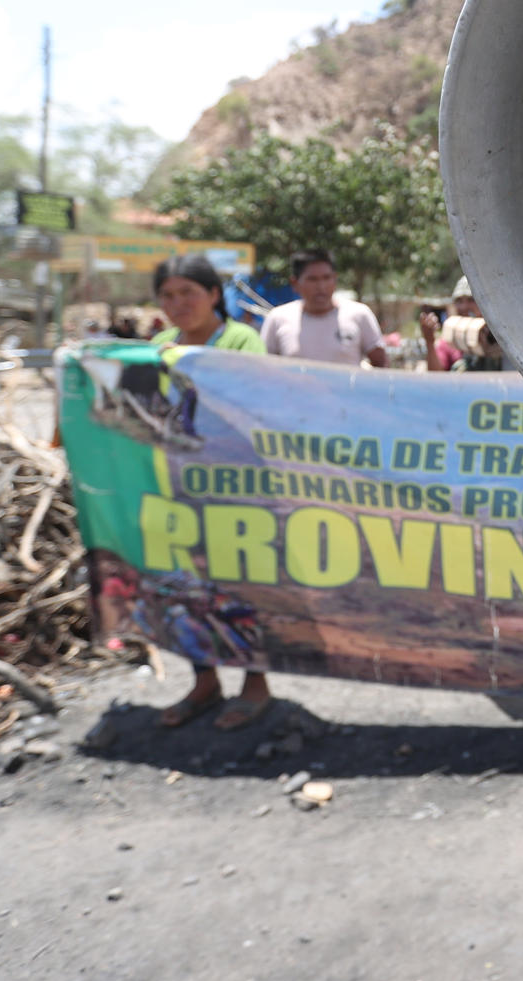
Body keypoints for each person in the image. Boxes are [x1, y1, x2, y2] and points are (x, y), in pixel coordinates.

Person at [147, 255, 272, 731]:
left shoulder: (241, 340)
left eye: (189, 293)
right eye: (168, 296)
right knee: (186, 585)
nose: (178, 304)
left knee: (243, 585)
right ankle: (205, 681)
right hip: (176, 488)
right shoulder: (157, 347)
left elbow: (251, 397)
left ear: (214, 295)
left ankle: (255, 684)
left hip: (237, 487)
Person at [260, 248, 388, 368]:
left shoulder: (359, 315)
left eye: (326, 278)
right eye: (312, 279)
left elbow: (381, 365)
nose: (321, 286)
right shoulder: (278, 318)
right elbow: (264, 369)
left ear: (335, 279)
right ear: (295, 283)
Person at [439, 276, 504, 372]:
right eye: (459, 301)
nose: (464, 307)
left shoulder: (502, 337)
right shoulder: (448, 340)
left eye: (471, 300)